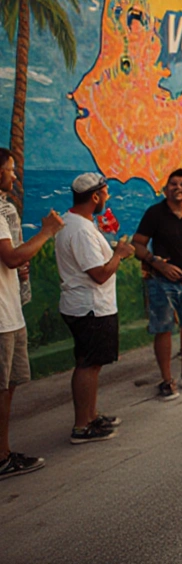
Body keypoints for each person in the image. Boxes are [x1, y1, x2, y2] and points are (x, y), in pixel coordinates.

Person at [56, 174, 136, 444]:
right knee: (88, 364)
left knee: (92, 363)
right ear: (95, 197)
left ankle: (90, 415)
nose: (108, 197)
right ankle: (82, 425)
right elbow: (99, 274)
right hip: (89, 307)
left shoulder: (76, 224)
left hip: (87, 306)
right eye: (105, 192)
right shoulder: (80, 229)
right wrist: (119, 254)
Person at [0, 148, 64, 480]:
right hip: (1, 318)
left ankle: (4, 452)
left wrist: (19, 267)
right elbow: (9, 257)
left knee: (7, 386)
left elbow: (10, 260)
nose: (15, 176)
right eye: (10, 170)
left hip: (9, 311)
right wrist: (48, 231)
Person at [133, 168, 182, 401]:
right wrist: (157, 263)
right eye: (173, 184)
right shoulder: (155, 214)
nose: (178, 188)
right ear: (166, 189)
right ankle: (167, 380)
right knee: (164, 328)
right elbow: (138, 245)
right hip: (161, 282)